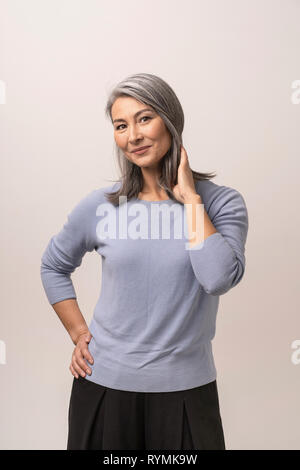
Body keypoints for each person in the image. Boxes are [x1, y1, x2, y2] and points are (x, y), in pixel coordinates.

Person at [40, 72, 249, 450]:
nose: (132, 136)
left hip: (187, 393)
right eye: (121, 125)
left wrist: (191, 201)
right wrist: (78, 333)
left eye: (144, 118)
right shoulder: (102, 206)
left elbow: (217, 278)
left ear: (171, 121)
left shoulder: (221, 203)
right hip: (103, 388)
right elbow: (53, 265)